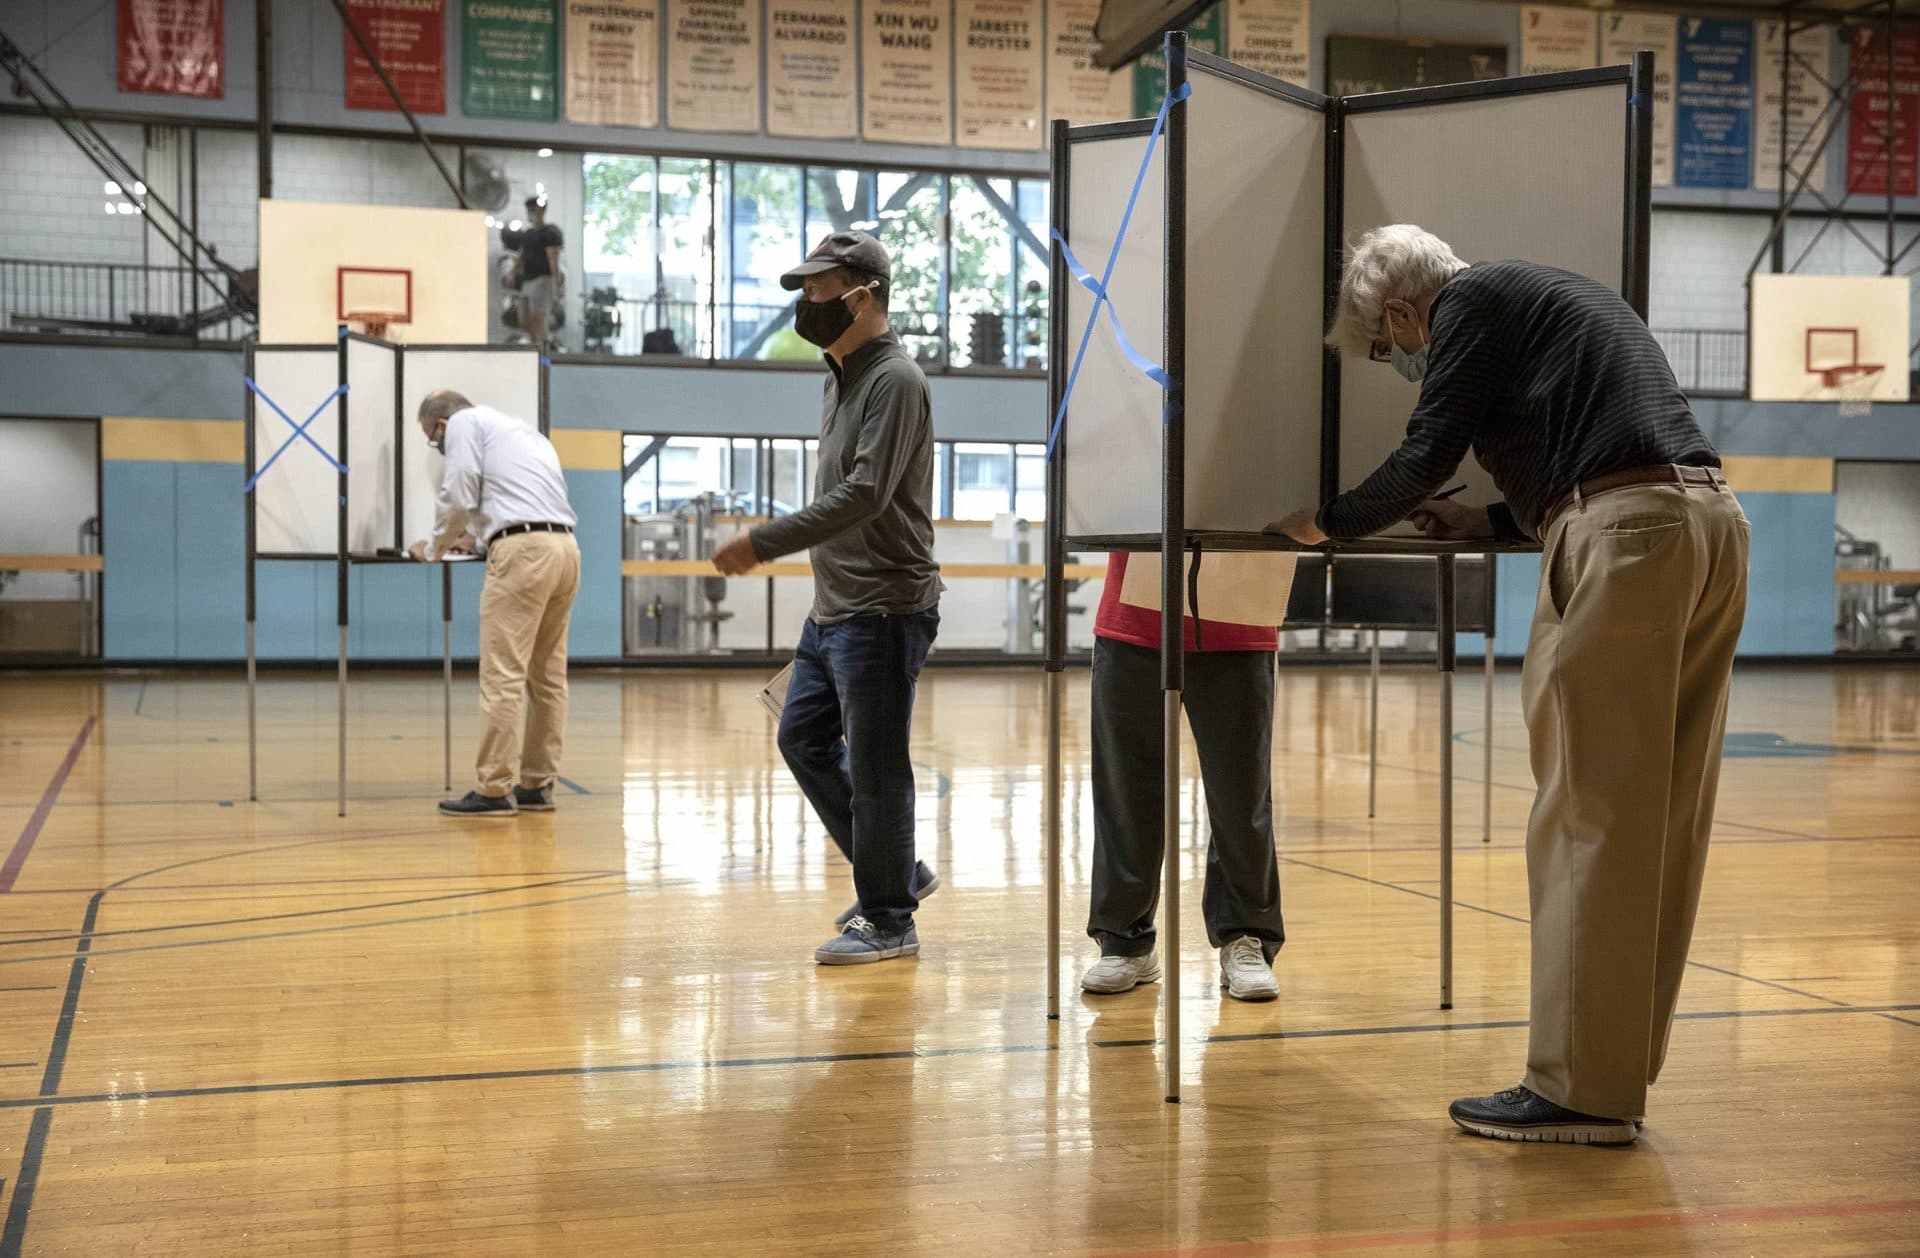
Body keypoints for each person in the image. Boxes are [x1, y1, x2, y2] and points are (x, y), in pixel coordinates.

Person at [1276, 224, 1748, 1145]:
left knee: (1585, 813)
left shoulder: (1469, 306)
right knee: (1663, 818)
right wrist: (1489, 517)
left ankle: (1578, 1089)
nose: (1403, 358)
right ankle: (1615, 1070)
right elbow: (1598, 447)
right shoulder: (1548, 289)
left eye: (1389, 345)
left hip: (1625, 540)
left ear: (1404, 309)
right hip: (1709, 527)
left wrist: (1326, 524)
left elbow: (1424, 452)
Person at [711, 232, 943, 966]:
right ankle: (895, 871)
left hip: (882, 608)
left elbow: (867, 494)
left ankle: (889, 917)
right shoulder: (837, 376)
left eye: (817, 289)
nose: (805, 304)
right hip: (835, 607)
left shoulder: (894, 379)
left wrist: (765, 541)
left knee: (877, 768)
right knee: (802, 737)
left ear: (862, 294)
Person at [1080, 552, 1294, 1002]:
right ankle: (1125, 940)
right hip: (1135, 622)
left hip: (1240, 625)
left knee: (1242, 800)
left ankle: (1245, 936)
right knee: (1126, 793)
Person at [410, 388, 580, 818]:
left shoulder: (464, 425)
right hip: (565, 550)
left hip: (521, 555)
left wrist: (433, 548)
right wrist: (480, 535)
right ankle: (538, 785)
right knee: (548, 677)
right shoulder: (526, 434)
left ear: (443, 424)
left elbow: (459, 491)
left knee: (503, 675)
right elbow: (522, 501)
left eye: (434, 439)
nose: (439, 447)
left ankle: (492, 789)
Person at [502, 196, 563, 351]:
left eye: (533, 210)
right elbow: (521, 255)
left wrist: (558, 283)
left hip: (543, 280)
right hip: (528, 281)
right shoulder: (528, 234)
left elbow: (553, 259)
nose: (530, 214)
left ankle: (543, 351)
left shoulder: (550, 233)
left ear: (541, 211)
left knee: (539, 319)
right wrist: (512, 273)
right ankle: (539, 342)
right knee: (524, 319)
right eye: (529, 211)